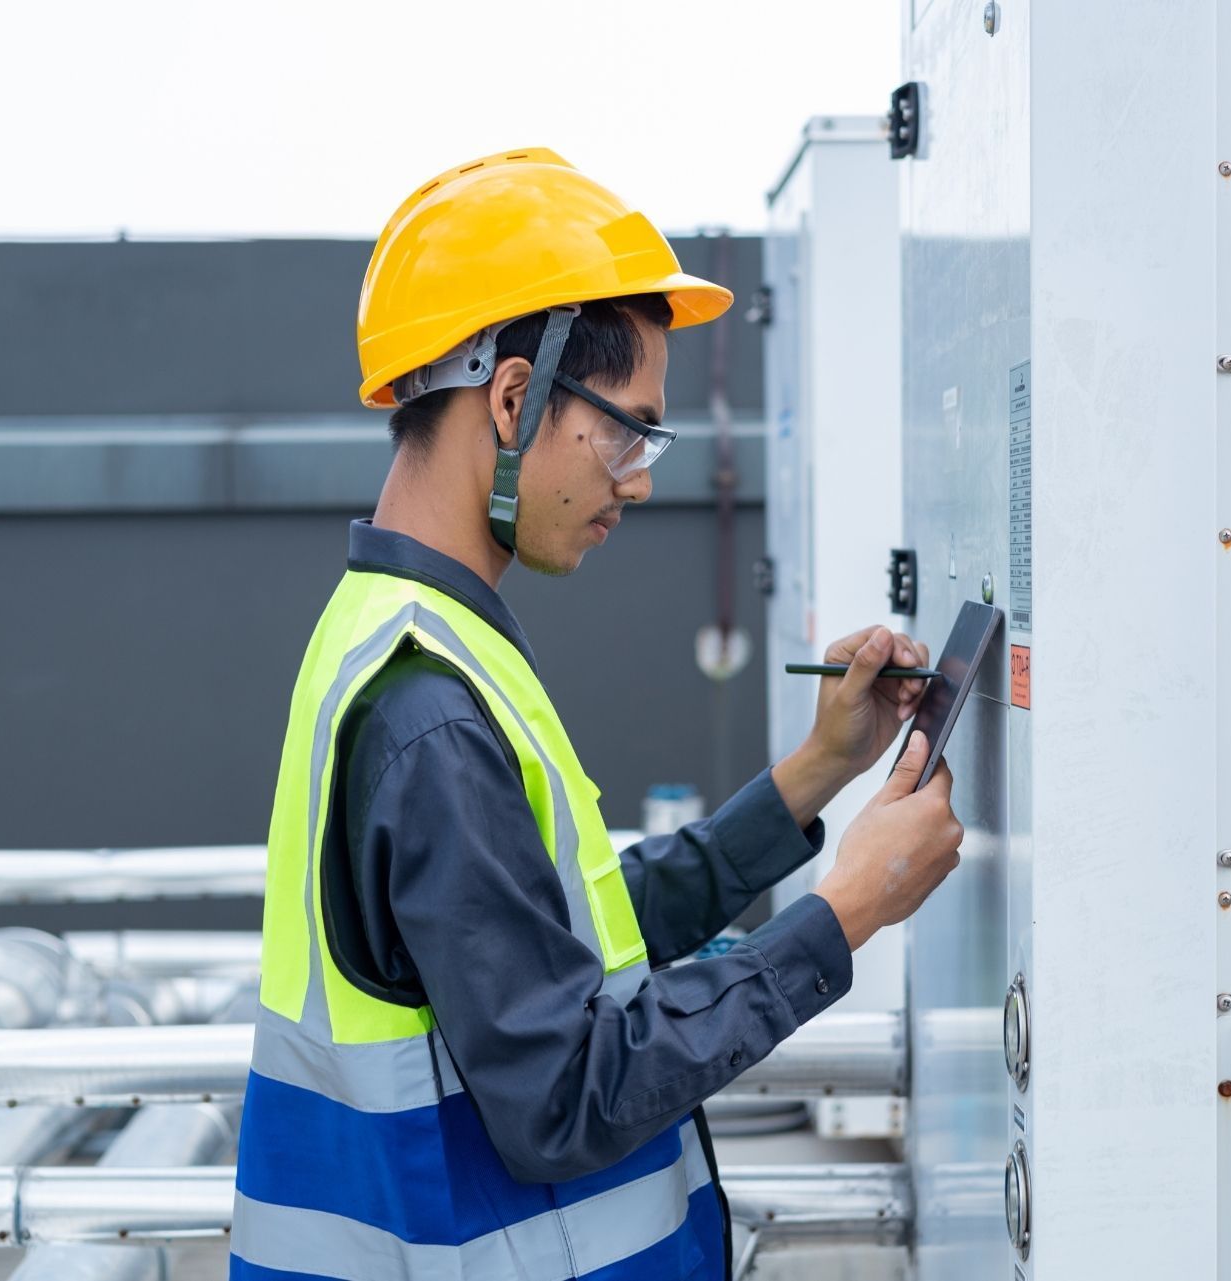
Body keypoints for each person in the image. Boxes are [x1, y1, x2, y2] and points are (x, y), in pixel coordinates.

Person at [230, 148, 964, 1281]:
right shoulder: (430, 710)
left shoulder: (401, 633)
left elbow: (581, 928)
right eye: (627, 429)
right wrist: (846, 911)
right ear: (516, 398)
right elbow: (569, 1097)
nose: (640, 478)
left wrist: (818, 771)